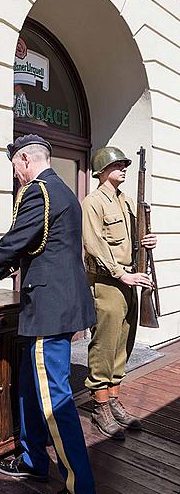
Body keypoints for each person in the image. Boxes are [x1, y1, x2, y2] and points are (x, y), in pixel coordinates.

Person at [0, 134, 99, 494]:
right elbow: (42, 249)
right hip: (57, 304)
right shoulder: (64, 191)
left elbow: (19, 241)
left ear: (23, 162)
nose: (16, 175)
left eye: (15, 167)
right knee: (30, 385)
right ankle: (33, 458)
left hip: (49, 310)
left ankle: (81, 493)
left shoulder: (37, 191)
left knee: (56, 401)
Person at [82, 147, 157, 440]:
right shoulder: (93, 202)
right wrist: (121, 274)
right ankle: (100, 407)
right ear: (102, 169)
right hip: (107, 281)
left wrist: (147, 239)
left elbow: (135, 240)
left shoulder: (126, 202)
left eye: (126, 165)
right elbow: (94, 244)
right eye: (118, 165)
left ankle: (113, 400)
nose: (124, 169)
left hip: (129, 279)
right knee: (105, 343)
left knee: (123, 342)